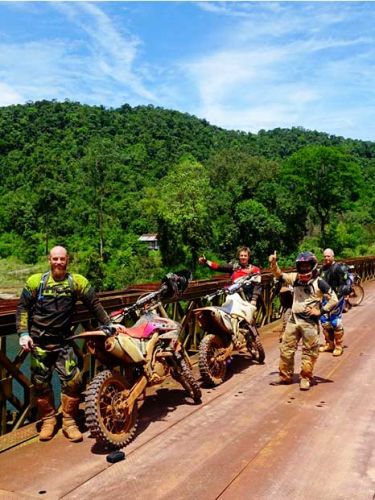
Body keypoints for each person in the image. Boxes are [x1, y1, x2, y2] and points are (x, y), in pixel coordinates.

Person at [16, 246, 123, 442]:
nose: (58, 262)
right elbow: (22, 307)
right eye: (55, 258)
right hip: (39, 342)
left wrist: (109, 324)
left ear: (68, 260)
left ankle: (69, 421)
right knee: (40, 384)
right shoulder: (35, 281)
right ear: (49, 259)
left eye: (62, 259)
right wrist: (22, 333)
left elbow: (95, 305)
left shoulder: (77, 282)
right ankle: (48, 420)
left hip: (64, 342)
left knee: (73, 382)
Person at [268, 251, 338, 391]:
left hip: (310, 323)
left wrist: (321, 311)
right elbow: (280, 275)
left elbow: (334, 299)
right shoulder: (295, 278)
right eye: (302, 266)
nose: (304, 269)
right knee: (286, 349)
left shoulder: (319, 282)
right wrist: (273, 263)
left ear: (312, 266)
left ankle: (306, 378)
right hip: (294, 319)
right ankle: (285, 376)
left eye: (307, 266)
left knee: (309, 352)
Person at [198, 246, 262, 322]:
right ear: (239, 256)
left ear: (248, 257)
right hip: (234, 296)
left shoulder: (255, 269)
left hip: (248, 298)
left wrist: (254, 300)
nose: (243, 257)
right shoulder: (234, 267)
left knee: (247, 322)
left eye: (245, 255)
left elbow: (257, 285)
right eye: (241, 255)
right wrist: (206, 261)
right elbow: (218, 267)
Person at [318, 248, 352, 356]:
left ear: (333, 256)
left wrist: (344, 294)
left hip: (337, 297)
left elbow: (346, 282)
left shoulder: (338, 268)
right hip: (325, 298)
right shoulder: (322, 269)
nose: (326, 258)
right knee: (324, 321)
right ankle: (329, 344)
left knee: (335, 321)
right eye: (325, 256)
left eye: (328, 256)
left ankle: (338, 345)